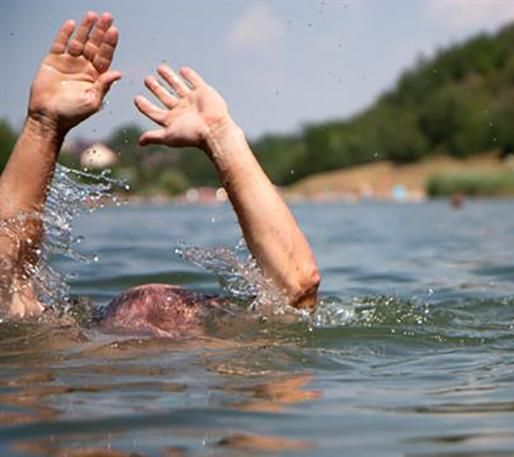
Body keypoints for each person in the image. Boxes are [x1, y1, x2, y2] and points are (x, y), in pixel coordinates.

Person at [0, 12, 320, 336]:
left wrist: (43, 126)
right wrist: (222, 138)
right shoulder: (230, 357)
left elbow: (7, 283)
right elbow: (295, 289)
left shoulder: (64, 346)